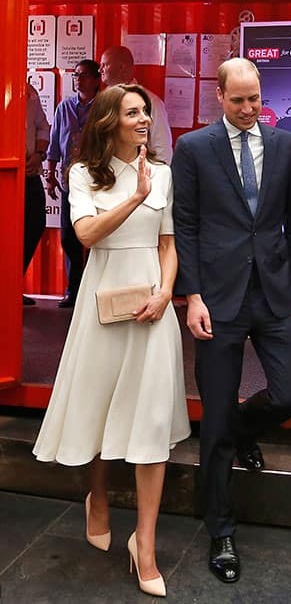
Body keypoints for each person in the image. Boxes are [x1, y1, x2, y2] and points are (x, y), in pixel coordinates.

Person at [32, 84, 190, 597]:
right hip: (101, 303)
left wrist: (166, 292)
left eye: (145, 112)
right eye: (133, 113)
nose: (145, 119)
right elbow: (86, 235)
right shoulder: (84, 174)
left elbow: (169, 244)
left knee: (150, 421)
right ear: (108, 122)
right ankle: (96, 498)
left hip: (152, 304)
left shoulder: (164, 173)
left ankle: (144, 544)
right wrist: (136, 197)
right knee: (100, 408)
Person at [172, 58, 291, 583]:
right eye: (239, 100)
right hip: (217, 298)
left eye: (255, 98)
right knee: (214, 417)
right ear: (219, 97)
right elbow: (184, 225)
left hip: (273, 291)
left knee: (290, 395)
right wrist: (193, 296)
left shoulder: (281, 145)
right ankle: (220, 530)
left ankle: (242, 430)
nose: (250, 109)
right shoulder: (193, 149)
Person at [44, 59, 101, 308]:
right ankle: (73, 290)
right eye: (76, 75)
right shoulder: (64, 107)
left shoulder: (104, 106)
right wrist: (50, 175)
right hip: (69, 183)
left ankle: (92, 290)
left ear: (97, 78)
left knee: (96, 237)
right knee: (69, 238)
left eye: (85, 75)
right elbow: (55, 144)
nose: (79, 79)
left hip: (98, 182)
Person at [99, 45, 173, 163]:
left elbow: (162, 149)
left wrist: (156, 180)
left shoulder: (151, 102)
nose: (100, 70)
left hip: (137, 176)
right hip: (105, 175)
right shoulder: (102, 100)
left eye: (104, 65)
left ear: (121, 67)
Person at [23, 82, 50, 305]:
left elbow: (42, 126)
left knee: (35, 223)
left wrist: (39, 154)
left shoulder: (29, 91)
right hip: (7, 173)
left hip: (30, 171)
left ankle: (12, 282)